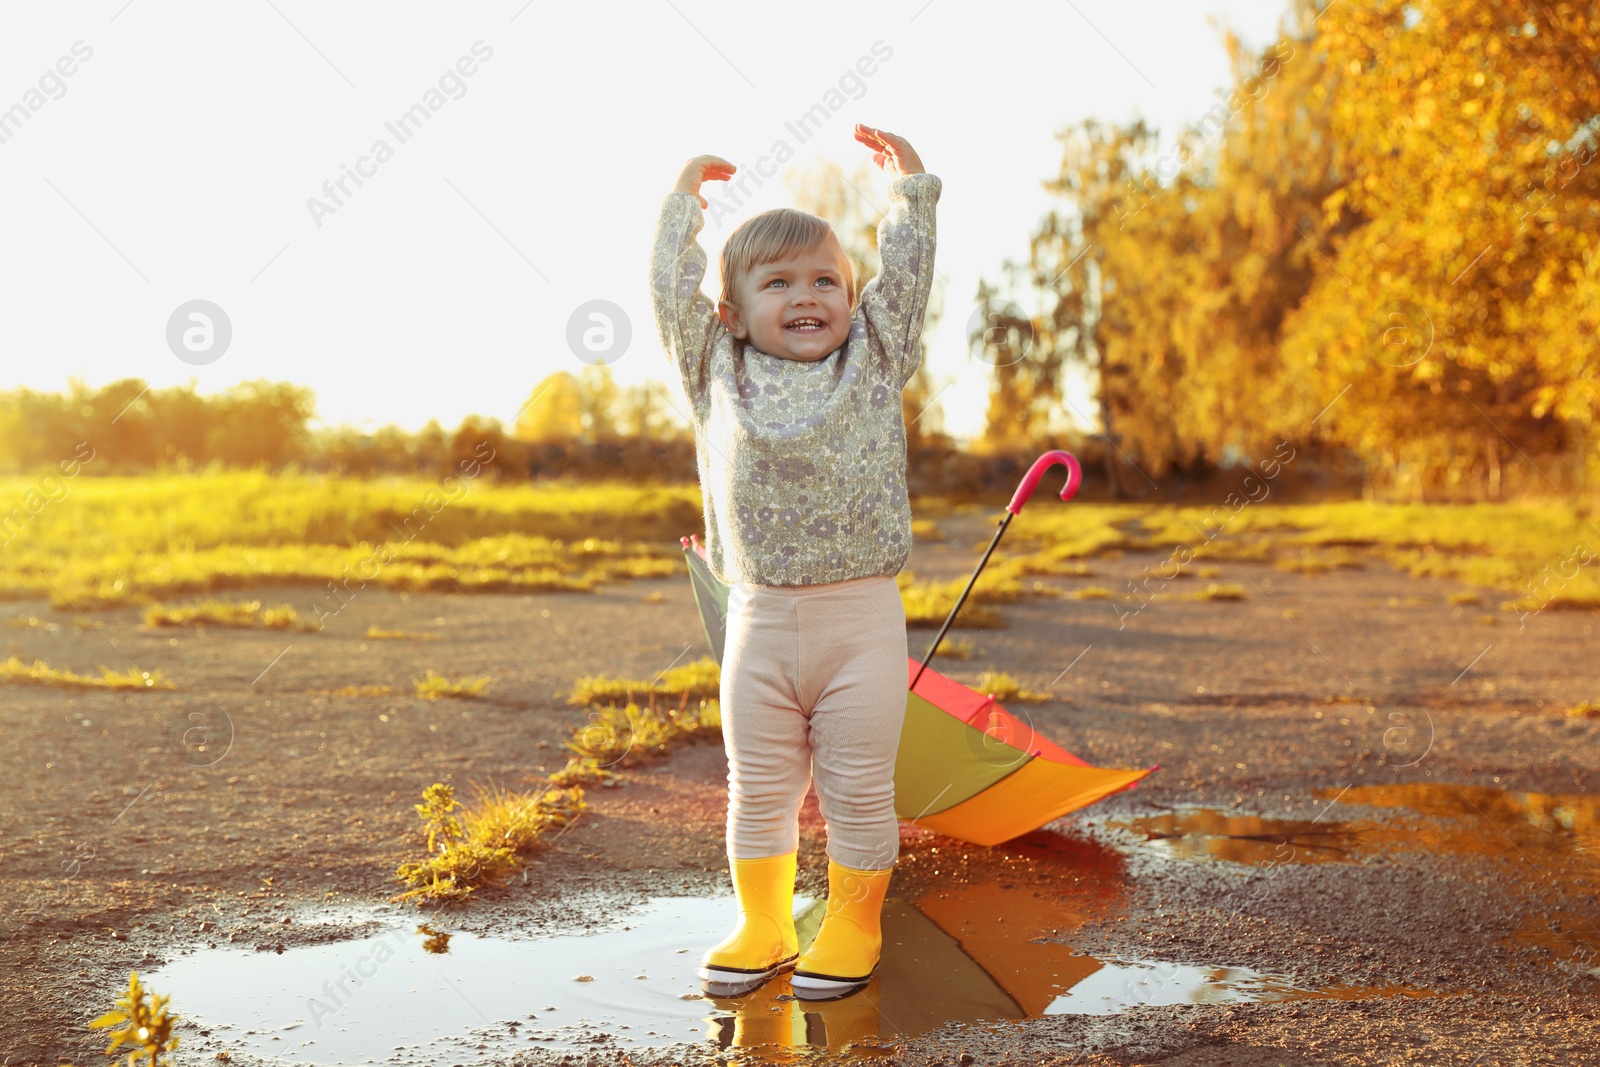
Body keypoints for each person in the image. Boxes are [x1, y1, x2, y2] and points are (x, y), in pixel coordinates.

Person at [649, 124, 940, 1001]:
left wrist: (912, 191)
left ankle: (853, 921)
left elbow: (911, 277)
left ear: (853, 298)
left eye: (825, 281)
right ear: (733, 312)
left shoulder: (875, 356)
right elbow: (669, 294)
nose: (806, 296)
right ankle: (766, 922)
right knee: (757, 788)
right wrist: (680, 211)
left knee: (856, 789)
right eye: (778, 283)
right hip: (760, 623)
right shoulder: (714, 368)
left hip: (860, 624)